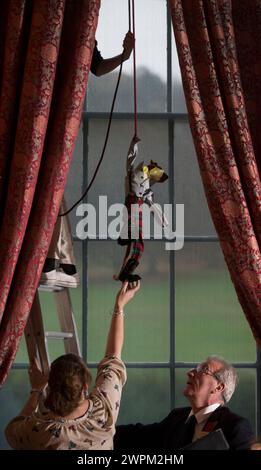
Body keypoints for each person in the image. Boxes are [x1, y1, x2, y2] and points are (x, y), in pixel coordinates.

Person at [40, 31, 135, 288]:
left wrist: (124, 56)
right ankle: (52, 260)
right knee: (49, 188)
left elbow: (96, 66)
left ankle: (55, 260)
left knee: (51, 187)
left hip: (57, 108)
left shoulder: (83, 22)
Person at [5, 280, 140, 450]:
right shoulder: (103, 412)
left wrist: (37, 390)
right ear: (84, 386)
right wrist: (119, 305)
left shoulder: (41, 430)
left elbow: (12, 431)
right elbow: (113, 355)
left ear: (51, 387)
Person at [114, 355, 254, 450]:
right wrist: (97, 427)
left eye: (203, 370)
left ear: (218, 387)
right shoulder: (177, 417)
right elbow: (138, 436)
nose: (190, 372)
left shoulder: (235, 427)